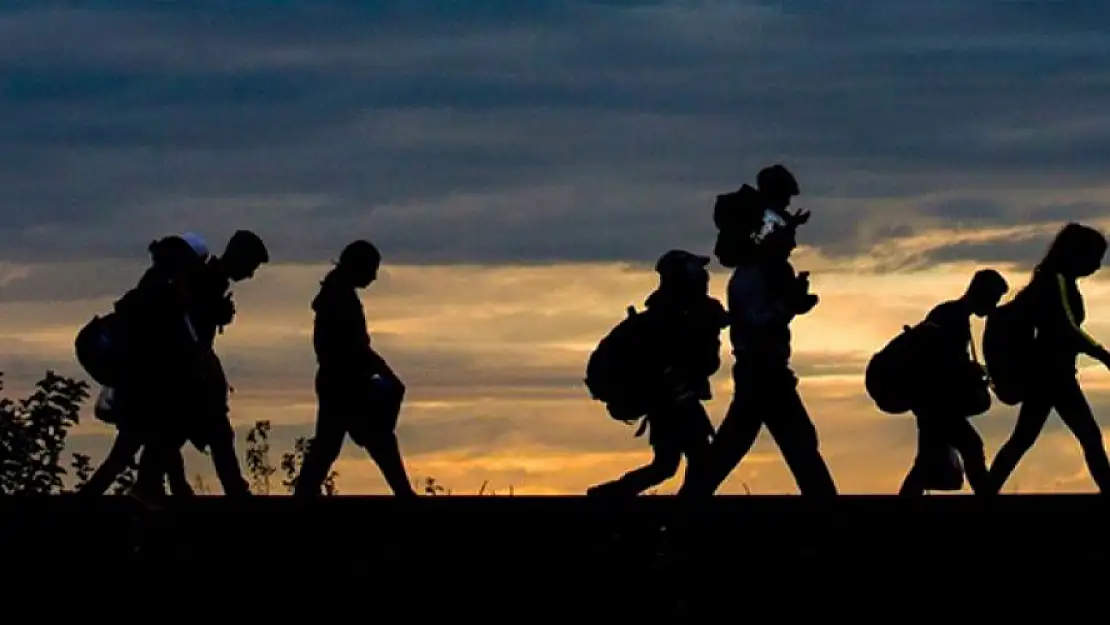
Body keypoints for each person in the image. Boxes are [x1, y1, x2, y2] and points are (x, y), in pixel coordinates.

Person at [680, 197, 836, 497]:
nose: (792, 245)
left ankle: (688, 505)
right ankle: (829, 515)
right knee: (796, 445)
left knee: (739, 448)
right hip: (763, 372)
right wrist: (789, 305)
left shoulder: (760, 274)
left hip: (762, 371)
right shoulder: (751, 277)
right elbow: (756, 322)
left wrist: (792, 303)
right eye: (787, 237)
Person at [79, 235, 210, 503]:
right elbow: (171, 345)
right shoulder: (165, 296)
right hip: (143, 392)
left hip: (139, 391)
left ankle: (162, 494)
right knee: (142, 447)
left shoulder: (152, 290)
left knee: (147, 447)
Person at [587, 250, 728, 497]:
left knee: (667, 465)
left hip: (667, 401)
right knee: (697, 460)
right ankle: (685, 513)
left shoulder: (671, 312)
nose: (704, 277)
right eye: (696, 273)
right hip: (674, 401)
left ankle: (611, 496)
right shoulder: (674, 316)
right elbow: (700, 362)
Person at [987, 223, 1110, 493]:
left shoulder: (1053, 281)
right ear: (1076, 254)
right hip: (1053, 376)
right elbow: (1067, 328)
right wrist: (1103, 354)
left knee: (1023, 439)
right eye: (1094, 258)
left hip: (1049, 375)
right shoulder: (1055, 283)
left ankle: (987, 490)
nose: (1097, 266)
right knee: (1088, 436)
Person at [293, 240, 417, 497]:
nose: (374, 277)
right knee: (375, 440)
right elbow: (356, 347)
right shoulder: (340, 299)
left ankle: (303, 495)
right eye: (371, 269)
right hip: (345, 383)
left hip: (339, 381)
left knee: (332, 445)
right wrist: (385, 374)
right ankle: (404, 495)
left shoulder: (336, 294)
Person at [898, 269, 1008, 496]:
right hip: (937, 403)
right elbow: (942, 361)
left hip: (932, 402)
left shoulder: (951, 314)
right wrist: (971, 371)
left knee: (926, 463)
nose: (994, 306)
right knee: (971, 447)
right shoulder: (952, 317)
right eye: (994, 299)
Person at [180, 229, 270, 497]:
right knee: (216, 432)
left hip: (191, 369)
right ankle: (235, 492)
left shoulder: (208, 279)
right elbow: (194, 325)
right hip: (191, 372)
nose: (251, 274)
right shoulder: (210, 281)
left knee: (173, 435)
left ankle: (172, 487)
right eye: (251, 266)